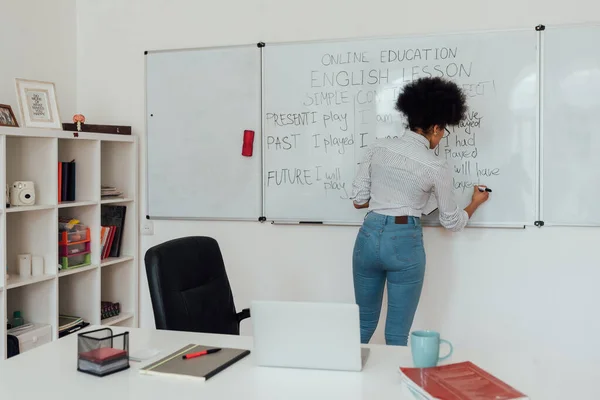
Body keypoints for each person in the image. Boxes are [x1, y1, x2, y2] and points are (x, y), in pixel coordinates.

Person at [350, 76, 490, 346]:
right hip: (404, 240)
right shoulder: (436, 166)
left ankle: (346, 381)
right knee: (396, 334)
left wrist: (386, 197)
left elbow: (358, 200)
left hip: (367, 236)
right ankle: (391, 385)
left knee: (361, 324)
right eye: (443, 131)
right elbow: (451, 221)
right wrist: (475, 202)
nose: (441, 137)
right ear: (436, 127)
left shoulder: (377, 148)